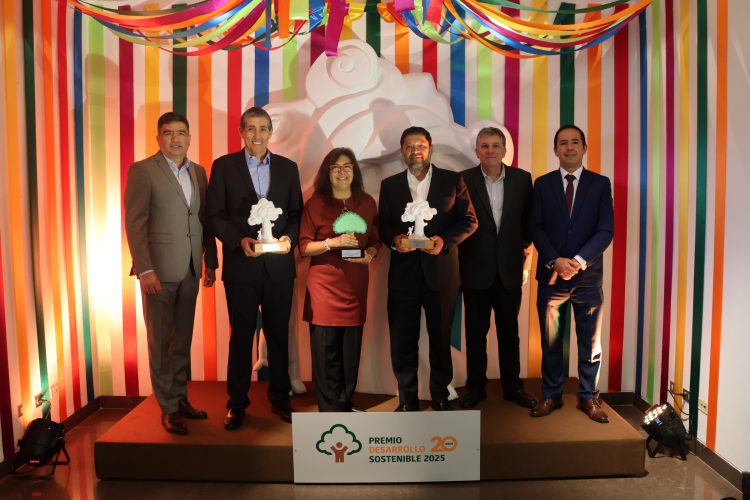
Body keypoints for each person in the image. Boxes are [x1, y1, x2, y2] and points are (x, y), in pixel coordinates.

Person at [206, 106, 303, 427]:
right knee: (241, 337)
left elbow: (295, 214)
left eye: (263, 129)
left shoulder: (288, 168)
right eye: (251, 128)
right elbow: (214, 215)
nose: (257, 135)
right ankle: (236, 403)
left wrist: (289, 239)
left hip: (279, 268)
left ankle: (281, 398)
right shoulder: (223, 167)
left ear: (271, 132)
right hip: (241, 267)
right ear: (241, 132)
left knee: (278, 335)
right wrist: (239, 241)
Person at [124, 111, 217, 435]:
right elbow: (135, 223)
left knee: (181, 341)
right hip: (158, 273)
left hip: (190, 270)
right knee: (160, 342)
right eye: (168, 133)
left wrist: (209, 261)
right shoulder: (143, 171)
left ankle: (180, 399)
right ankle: (167, 408)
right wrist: (145, 269)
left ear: (189, 138)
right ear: (158, 138)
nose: (175, 139)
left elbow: (204, 219)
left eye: (181, 133)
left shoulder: (199, 172)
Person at [378, 126, 477, 411]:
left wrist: (444, 241)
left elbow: (469, 221)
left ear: (430, 148)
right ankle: (407, 400)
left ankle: (440, 396)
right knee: (402, 341)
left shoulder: (453, 180)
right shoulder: (390, 185)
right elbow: (383, 225)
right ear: (402, 151)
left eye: (420, 145)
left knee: (440, 339)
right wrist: (395, 240)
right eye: (409, 146)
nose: (415, 151)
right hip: (403, 276)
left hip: (441, 275)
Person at [529, 124, 614, 423]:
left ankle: (588, 397)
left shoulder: (600, 184)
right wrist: (555, 260)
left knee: (590, 342)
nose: (569, 147)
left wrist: (577, 261)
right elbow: (535, 227)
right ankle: (551, 395)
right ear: (555, 150)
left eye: (575, 142)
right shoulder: (542, 184)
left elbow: (605, 230)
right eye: (563, 142)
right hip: (551, 278)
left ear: (584, 148)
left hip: (588, 279)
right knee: (551, 342)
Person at [458, 127, 536, 410]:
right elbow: (458, 221)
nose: (490, 150)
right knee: (475, 334)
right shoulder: (463, 179)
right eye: (484, 146)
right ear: (476, 151)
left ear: (504, 150)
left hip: (509, 270)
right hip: (474, 270)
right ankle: (475, 389)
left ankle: (513, 387)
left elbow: (529, 223)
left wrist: (521, 252)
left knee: (509, 334)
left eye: (495, 145)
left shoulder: (522, 179)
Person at [299, 148, 381, 412]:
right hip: (324, 287)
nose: (342, 172)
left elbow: (375, 239)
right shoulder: (315, 204)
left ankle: (345, 402)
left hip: (355, 286)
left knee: (350, 351)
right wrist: (331, 242)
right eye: (336, 167)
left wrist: (370, 253)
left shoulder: (366, 202)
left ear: (354, 171)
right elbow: (304, 247)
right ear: (328, 172)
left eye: (347, 166)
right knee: (326, 352)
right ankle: (329, 407)